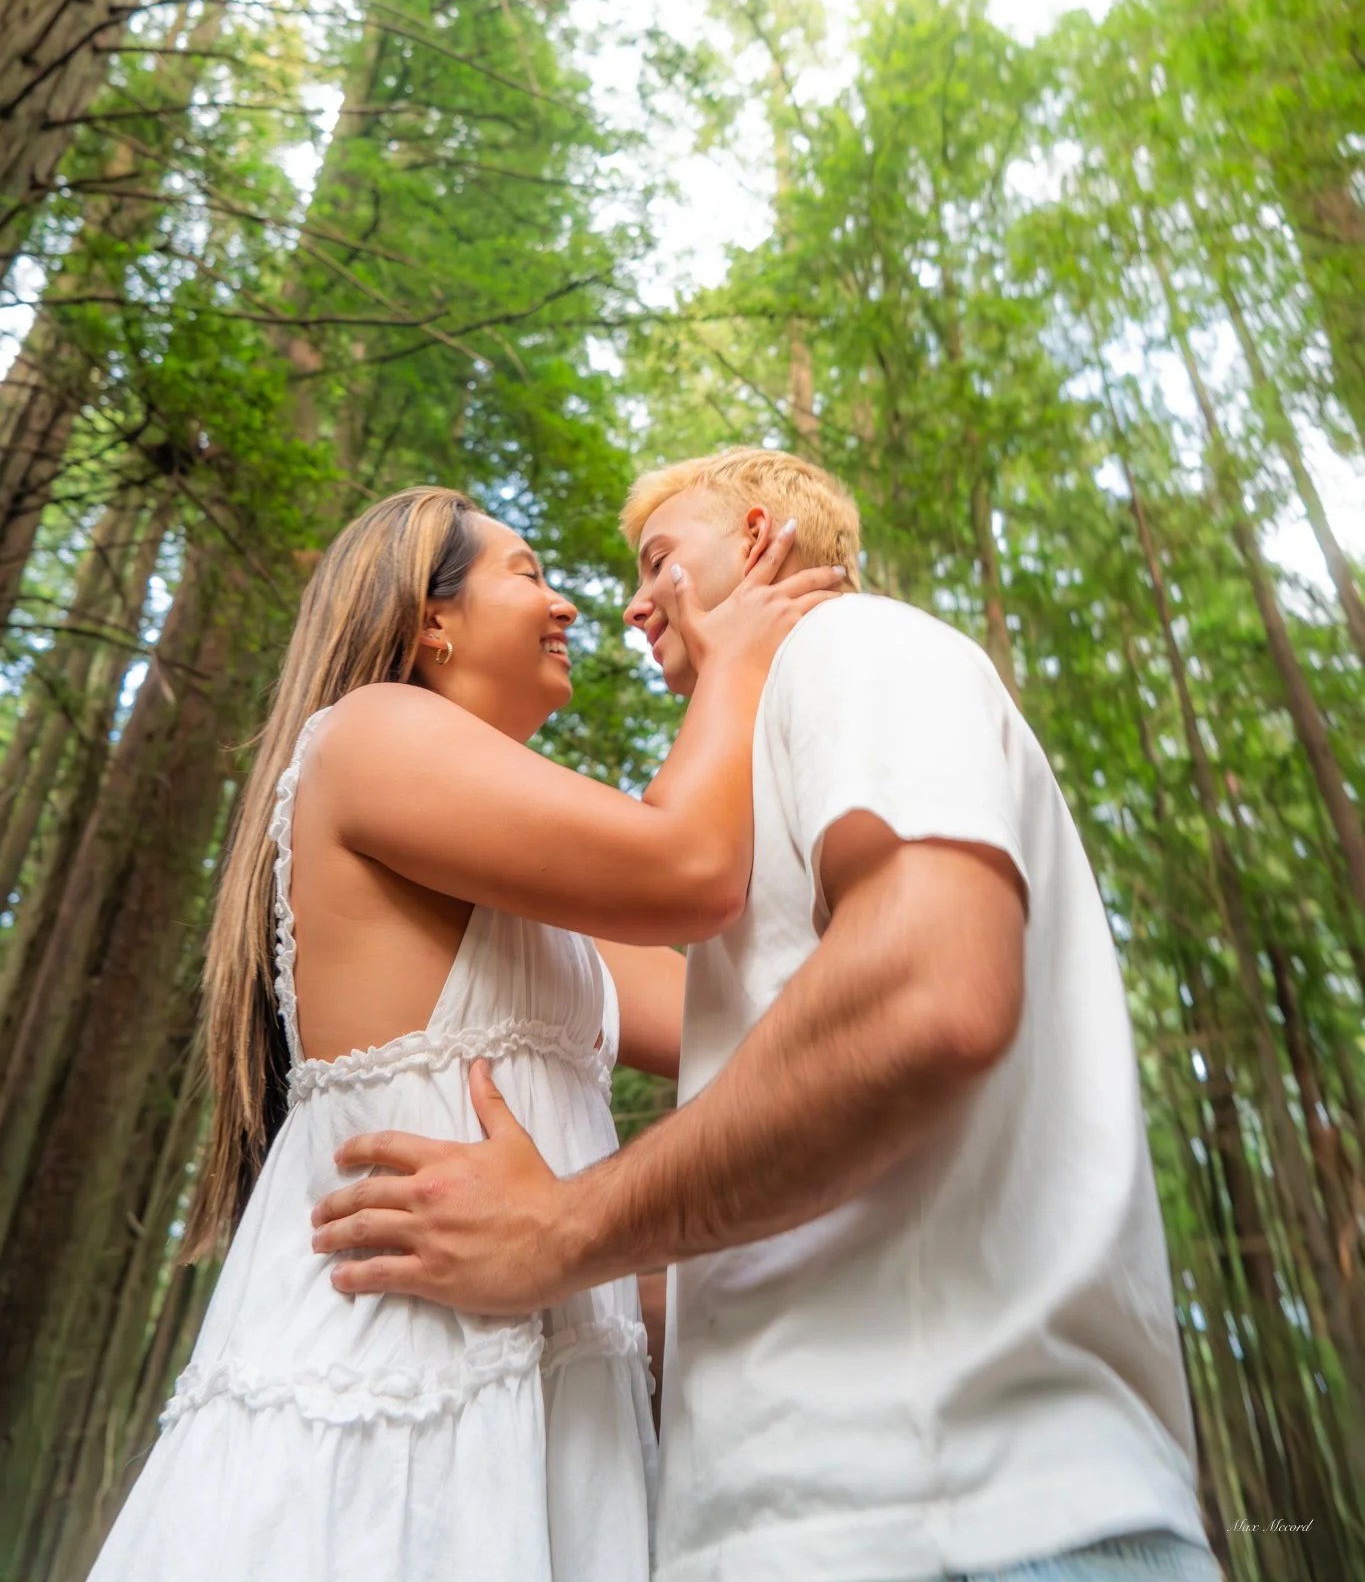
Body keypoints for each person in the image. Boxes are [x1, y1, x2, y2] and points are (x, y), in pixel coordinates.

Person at [312, 447, 1224, 1582]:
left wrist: (560, 1229)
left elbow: (925, 995)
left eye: (656, 560)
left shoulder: (851, 646)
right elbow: (798, 1151)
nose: (626, 602)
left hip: (950, 1519)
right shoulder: (775, 787)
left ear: (756, 541)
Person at [88, 483, 843, 1582]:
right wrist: (736, 662)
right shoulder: (370, 732)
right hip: (396, 1393)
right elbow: (688, 870)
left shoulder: (530, 892)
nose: (571, 606)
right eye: (527, 572)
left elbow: (741, 1024)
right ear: (428, 619)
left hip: (537, 1395)